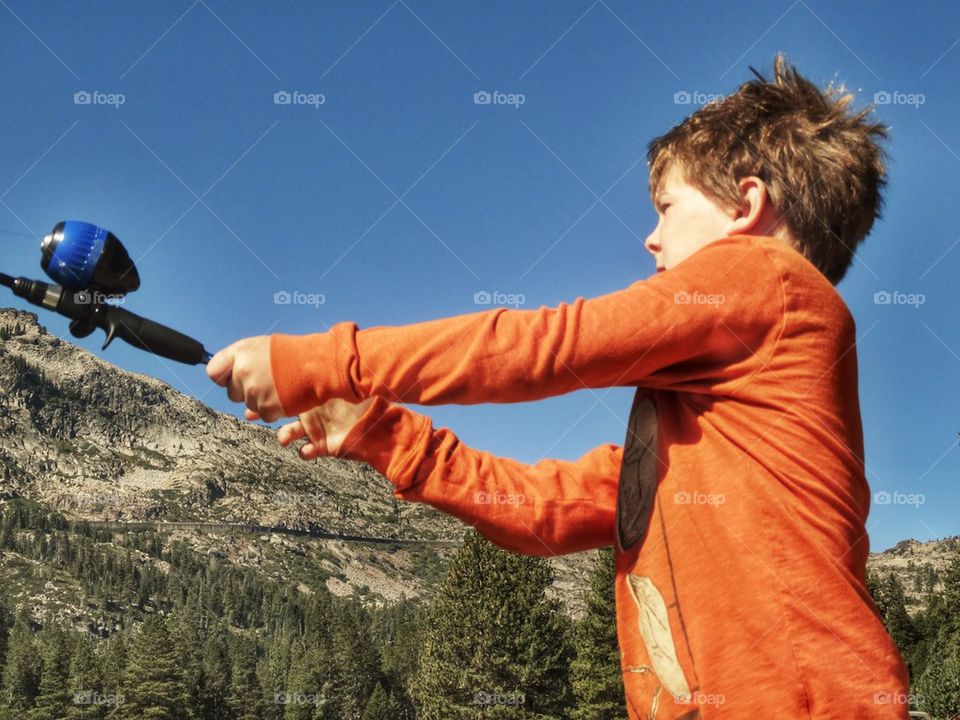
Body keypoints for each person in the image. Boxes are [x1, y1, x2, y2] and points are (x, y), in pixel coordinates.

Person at [207, 53, 911, 718]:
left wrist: (323, 361)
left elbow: (546, 346)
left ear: (747, 205)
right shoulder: (691, 447)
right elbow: (542, 512)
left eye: (665, 208)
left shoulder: (768, 280)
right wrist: (382, 433)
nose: (651, 239)